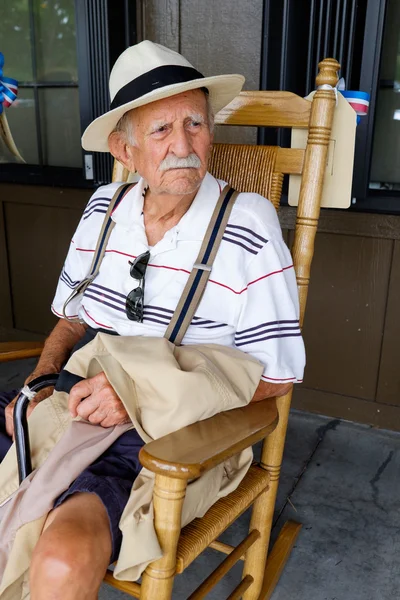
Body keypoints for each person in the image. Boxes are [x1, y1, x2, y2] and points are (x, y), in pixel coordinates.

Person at [0, 41, 305, 599]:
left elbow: (276, 380)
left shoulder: (251, 224)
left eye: (195, 123)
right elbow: (69, 325)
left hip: (172, 442)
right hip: (71, 404)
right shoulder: (103, 208)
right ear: (126, 147)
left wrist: (138, 395)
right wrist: (39, 386)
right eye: (161, 130)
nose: (184, 146)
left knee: (63, 561)